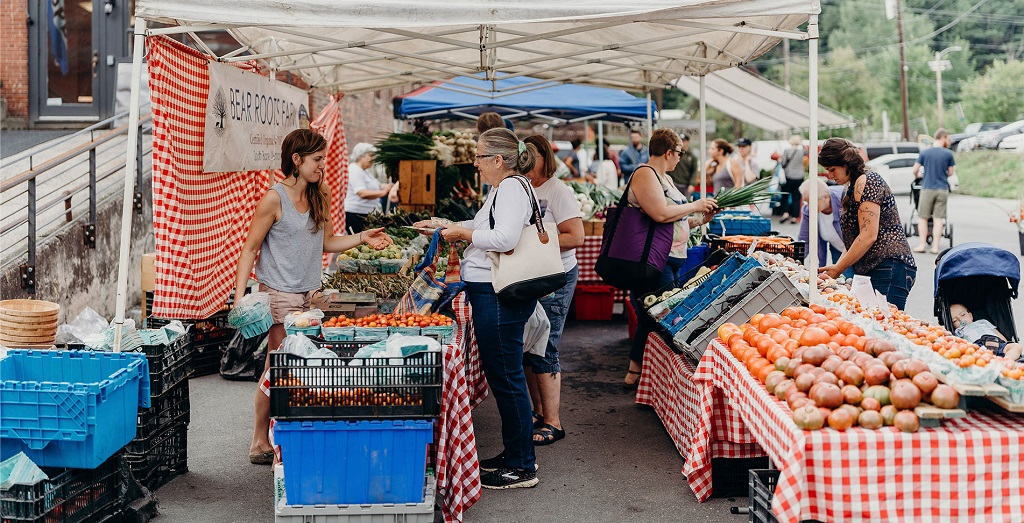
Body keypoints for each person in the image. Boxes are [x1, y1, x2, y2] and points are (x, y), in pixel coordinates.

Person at [233, 129, 393, 465]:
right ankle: (262, 440)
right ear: (297, 160)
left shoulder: (322, 192)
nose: (323, 165)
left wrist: (364, 236)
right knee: (280, 367)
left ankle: (274, 438)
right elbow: (249, 250)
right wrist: (238, 300)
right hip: (279, 296)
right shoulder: (273, 199)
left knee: (282, 368)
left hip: (310, 297)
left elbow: (328, 243)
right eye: (317, 159)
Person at [415, 128, 542, 489]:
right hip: (493, 292)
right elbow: (486, 226)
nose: (475, 162)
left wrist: (461, 235)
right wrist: (446, 227)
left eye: (480, 156)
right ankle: (514, 452)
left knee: (508, 378)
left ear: (498, 160)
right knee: (505, 376)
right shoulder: (504, 190)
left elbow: (503, 239)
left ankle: (522, 466)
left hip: (499, 294)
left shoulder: (513, 189)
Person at [623, 129, 719, 390]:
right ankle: (638, 372)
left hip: (670, 258)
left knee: (659, 315)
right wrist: (695, 205)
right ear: (668, 152)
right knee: (657, 316)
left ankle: (644, 373)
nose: (680, 158)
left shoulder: (664, 178)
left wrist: (701, 219)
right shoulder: (645, 174)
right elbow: (660, 214)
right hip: (653, 260)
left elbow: (676, 219)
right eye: (679, 153)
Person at [522, 134, 585, 446]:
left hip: (555, 276)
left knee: (545, 346)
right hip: (527, 276)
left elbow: (576, 236)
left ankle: (553, 422)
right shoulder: (519, 189)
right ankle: (537, 411)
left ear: (545, 158)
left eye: (533, 158)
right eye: (523, 158)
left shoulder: (557, 190)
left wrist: (531, 241)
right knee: (528, 346)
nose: (528, 164)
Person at [817, 137, 917, 310]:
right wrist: (836, 268)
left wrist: (838, 269)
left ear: (846, 163)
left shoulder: (867, 182)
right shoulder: (850, 188)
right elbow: (853, 240)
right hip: (878, 267)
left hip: (889, 265)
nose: (830, 176)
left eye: (832, 169)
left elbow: (868, 235)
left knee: (886, 323)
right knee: (874, 321)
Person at [797, 178, 853, 278]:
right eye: (806, 202)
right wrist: (795, 261)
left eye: (811, 202)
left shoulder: (844, 198)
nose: (809, 207)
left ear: (826, 198)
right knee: (844, 279)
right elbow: (804, 240)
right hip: (837, 249)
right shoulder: (808, 210)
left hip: (856, 249)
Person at [912, 129, 956, 254]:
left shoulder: (925, 153)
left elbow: (915, 170)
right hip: (942, 189)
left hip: (927, 188)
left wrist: (919, 175)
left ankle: (922, 245)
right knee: (938, 219)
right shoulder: (948, 154)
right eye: (948, 139)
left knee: (923, 217)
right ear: (943, 137)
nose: (948, 141)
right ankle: (935, 247)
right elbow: (951, 172)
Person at [344, 142, 393, 233]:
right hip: (356, 215)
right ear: (360, 156)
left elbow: (377, 185)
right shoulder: (354, 169)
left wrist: (390, 186)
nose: (373, 158)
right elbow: (361, 192)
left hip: (365, 214)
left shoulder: (365, 171)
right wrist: (383, 193)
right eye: (370, 155)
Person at [950, 304, 1023, 361]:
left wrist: (1006, 343)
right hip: (978, 347)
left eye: (963, 315)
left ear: (970, 315)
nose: (960, 319)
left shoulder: (983, 322)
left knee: (1016, 346)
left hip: (997, 342)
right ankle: (993, 363)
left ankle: (1006, 361)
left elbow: (997, 333)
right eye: (954, 321)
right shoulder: (959, 331)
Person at [778, 135, 806, 224]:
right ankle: (794, 217)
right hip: (799, 177)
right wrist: (802, 144)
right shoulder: (802, 152)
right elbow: (809, 152)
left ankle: (785, 213)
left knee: (785, 196)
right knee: (796, 197)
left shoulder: (786, 151)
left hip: (788, 177)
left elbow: (783, 163)